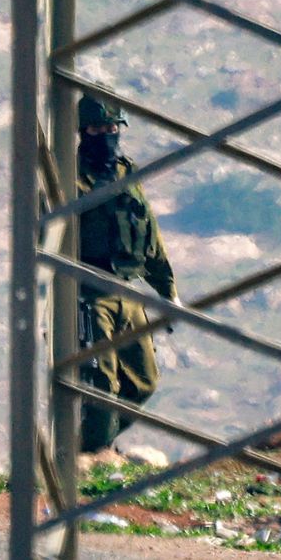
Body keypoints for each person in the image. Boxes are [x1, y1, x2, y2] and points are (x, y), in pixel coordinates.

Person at [75, 93, 179, 453]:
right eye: (98, 128)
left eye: (112, 128)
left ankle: (89, 446)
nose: (107, 135)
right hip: (88, 290)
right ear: (83, 131)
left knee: (143, 381)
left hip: (127, 290)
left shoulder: (127, 173)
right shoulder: (68, 178)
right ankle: (90, 457)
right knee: (102, 384)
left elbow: (149, 235)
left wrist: (168, 292)